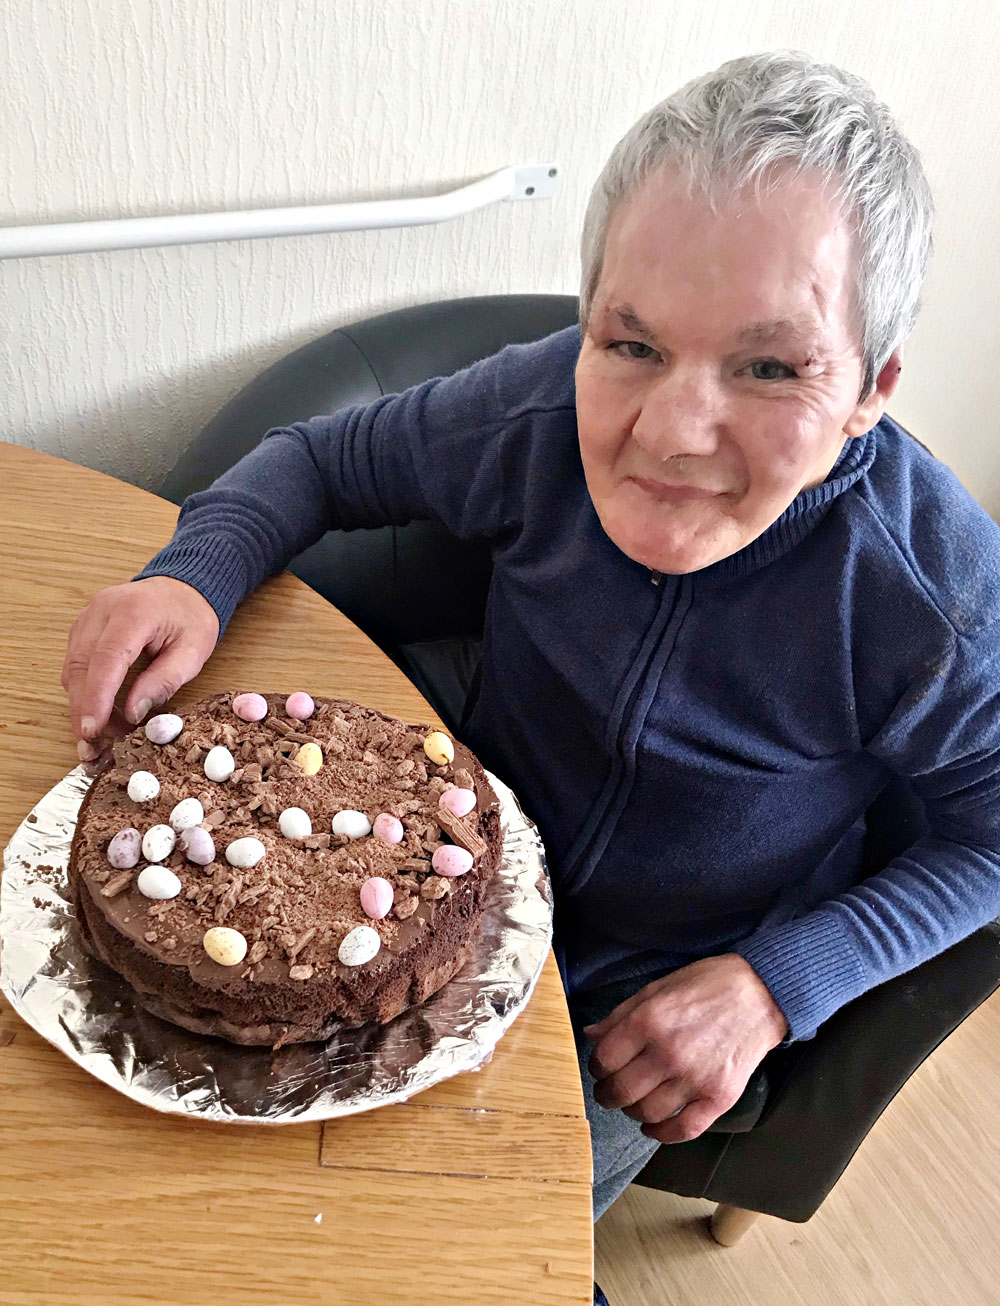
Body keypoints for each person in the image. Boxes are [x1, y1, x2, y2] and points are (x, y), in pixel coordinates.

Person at [62, 47, 1000, 1272]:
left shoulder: (929, 594)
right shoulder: (532, 414)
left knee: (453, 1263)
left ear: (870, 384)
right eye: (632, 343)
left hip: (640, 980)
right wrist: (194, 571)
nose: (670, 430)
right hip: (434, 824)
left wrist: (777, 982)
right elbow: (318, 460)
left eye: (771, 365)